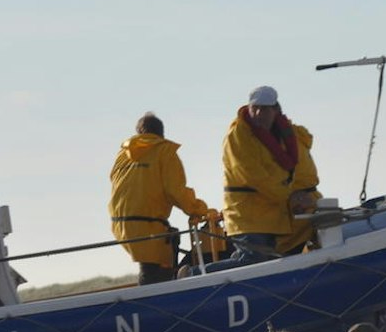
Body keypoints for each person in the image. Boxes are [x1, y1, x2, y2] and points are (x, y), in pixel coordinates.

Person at [108, 112, 219, 285]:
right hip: (146, 224)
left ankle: (169, 280)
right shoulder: (163, 151)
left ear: (139, 134)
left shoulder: (122, 155)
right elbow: (175, 191)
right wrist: (202, 211)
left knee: (170, 240)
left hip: (120, 224)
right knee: (152, 271)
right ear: (161, 134)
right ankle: (157, 296)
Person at [220, 86, 320, 266]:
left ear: (275, 111)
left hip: (275, 212)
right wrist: (291, 196)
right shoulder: (238, 136)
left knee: (270, 260)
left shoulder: (285, 135)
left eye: (265, 108)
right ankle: (193, 275)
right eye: (254, 108)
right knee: (254, 261)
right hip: (248, 213)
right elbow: (254, 176)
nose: (259, 113)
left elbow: (285, 174)